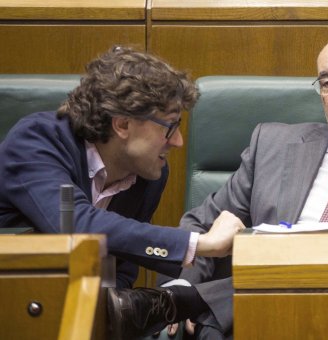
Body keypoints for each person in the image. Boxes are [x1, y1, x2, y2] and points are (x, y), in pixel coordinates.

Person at [111, 29, 328, 339]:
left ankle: (185, 304)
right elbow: (202, 226)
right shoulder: (273, 147)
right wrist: (185, 283)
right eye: (326, 82)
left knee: (220, 311)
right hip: (262, 320)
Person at [0, 46, 245, 338]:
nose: (178, 141)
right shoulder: (38, 141)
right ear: (123, 124)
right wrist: (200, 243)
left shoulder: (148, 173)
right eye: (169, 126)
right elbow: (75, 226)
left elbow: (120, 269)